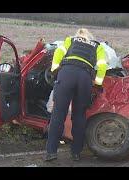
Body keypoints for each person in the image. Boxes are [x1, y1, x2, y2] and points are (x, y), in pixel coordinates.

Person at [44, 28, 107, 161]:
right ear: (89, 37)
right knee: (79, 116)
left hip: (66, 74)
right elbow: (102, 66)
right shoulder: (98, 46)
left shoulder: (70, 40)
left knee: (58, 114)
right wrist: (98, 83)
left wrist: (55, 70)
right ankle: (76, 153)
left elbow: (58, 54)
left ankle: (51, 152)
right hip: (85, 77)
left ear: (77, 36)